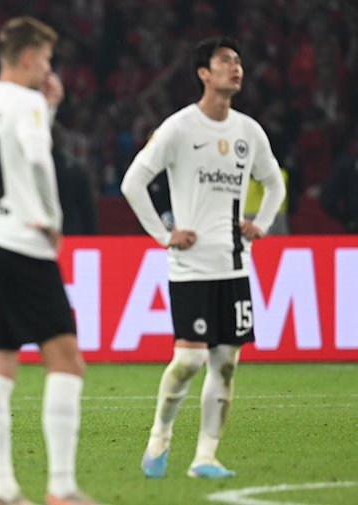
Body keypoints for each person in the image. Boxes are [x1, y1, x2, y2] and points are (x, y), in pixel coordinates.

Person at [120, 37, 286, 479]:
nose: (236, 68)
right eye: (225, 61)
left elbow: (275, 183)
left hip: (234, 264)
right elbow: (133, 182)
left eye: (239, 61)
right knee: (190, 360)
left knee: (226, 363)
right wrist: (163, 235)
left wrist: (262, 223)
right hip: (191, 267)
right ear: (204, 74)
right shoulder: (179, 128)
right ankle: (160, 436)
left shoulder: (249, 132)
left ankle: (206, 457)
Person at [0, 17, 100, 505]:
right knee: (66, 361)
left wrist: (50, 108)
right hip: (24, 240)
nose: (48, 69)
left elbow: (11, 154)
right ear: (27, 58)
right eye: (45, 59)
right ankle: (61, 487)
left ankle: (4, 490)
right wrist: (53, 219)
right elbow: (38, 161)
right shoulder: (27, 102)